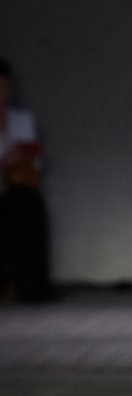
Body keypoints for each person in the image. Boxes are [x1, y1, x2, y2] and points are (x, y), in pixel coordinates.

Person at [0, 58, 52, 302]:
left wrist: (22, 158)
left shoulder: (22, 120)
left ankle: (30, 285)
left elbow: (36, 160)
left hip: (17, 186)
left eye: (3, 87)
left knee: (30, 206)